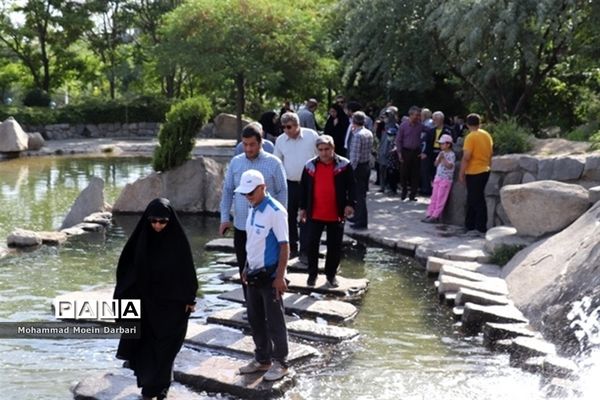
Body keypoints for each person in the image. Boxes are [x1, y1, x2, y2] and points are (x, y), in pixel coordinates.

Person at [114, 198, 198, 400]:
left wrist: (189, 298)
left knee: (167, 349)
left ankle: (161, 387)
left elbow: (187, 272)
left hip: (172, 307)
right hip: (144, 306)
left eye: (163, 221)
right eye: (153, 221)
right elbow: (125, 272)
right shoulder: (140, 242)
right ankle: (148, 387)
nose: (158, 225)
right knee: (145, 348)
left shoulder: (178, 243)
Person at [220, 123, 287, 302]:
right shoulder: (236, 162)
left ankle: (271, 304)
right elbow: (227, 190)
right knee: (245, 267)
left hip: (267, 229)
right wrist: (224, 218)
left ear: (261, 143)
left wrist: (279, 219)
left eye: (252, 144)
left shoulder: (273, 163)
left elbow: (282, 191)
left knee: (268, 267)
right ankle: (250, 306)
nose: (248, 148)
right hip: (242, 225)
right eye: (245, 144)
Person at [235, 169, 291, 382]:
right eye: (245, 193)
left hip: (270, 275)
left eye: (251, 192)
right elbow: (253, 242)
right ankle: (262, 359)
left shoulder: (276, 211)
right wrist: (246, 267)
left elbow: (284, 246)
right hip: (253, 274)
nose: (248, 196)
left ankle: (281, 362)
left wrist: (280, 276)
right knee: (255, 318)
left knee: (275, 320)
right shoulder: (252, 208)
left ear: (262, 187)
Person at [299, 135, 355, 287]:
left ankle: (331, 275)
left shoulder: (344, 165)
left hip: (335, 213)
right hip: (314, 212)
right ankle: (312, 275)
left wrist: (350, 204)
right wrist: (303, 208)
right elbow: (303, 189)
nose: (324, 153)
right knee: (312, 244)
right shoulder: (309, 166)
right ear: (317, 150)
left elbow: (352, 186)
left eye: (327, 149)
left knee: (334, 246)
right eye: (321, 149)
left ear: (333, 148)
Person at [274, 112, 319, 260]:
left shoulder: (311, 136)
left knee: (307, 216)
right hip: (289, 183)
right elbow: (277, 162)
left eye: (289, 127)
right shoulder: (281, 140)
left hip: (309, 182)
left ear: (297, 125)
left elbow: (320, 156)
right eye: (284, 127)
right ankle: (292, 247)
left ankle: (306, 250)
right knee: (289, 216)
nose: (286, 130)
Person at [459, 113, 493, 233]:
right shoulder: (487, 135)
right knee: (472, 199)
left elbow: (466, 157)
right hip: (485, 169)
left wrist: (461, 173)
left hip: (474, 171)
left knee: (476, 200)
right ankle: (470, 225)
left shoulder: (470, 137)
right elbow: (490, 153)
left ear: (467, 124)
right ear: (480, 123)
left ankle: (480, 228)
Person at [348, 111, 374, 230]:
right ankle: (357, 216)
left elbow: (354, 156)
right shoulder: (368, 132)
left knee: (359, 195)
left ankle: (361, 221)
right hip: (366, 165)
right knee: (361, 193)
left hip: (358, 168)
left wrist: (349, 170)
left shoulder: (357, 135)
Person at [422, 134, 456, 223]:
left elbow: (450, 166)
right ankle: (429, 213)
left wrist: (443, 158)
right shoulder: (441, 153)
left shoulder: (451, 154)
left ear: (448, 144)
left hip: (446, 179)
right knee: (434, 197)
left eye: (442, 143)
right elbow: (435, 164)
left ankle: (435, 215)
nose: (440, 145)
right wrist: (439, 159)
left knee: (441, 197)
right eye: (440, 143)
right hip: (438, 177)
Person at [395, 106, 424, 201]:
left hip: (416, 152)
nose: (417, 117)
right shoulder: (403, 125)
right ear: (411, 115)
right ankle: (403, 193)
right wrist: (399, 153)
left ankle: (413, 195)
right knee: (404, 173)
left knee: (415, 173)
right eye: (416, 115)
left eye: (419, 115)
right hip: (405, 151)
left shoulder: (420, 125)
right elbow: (398, 140)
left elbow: (429, 133)